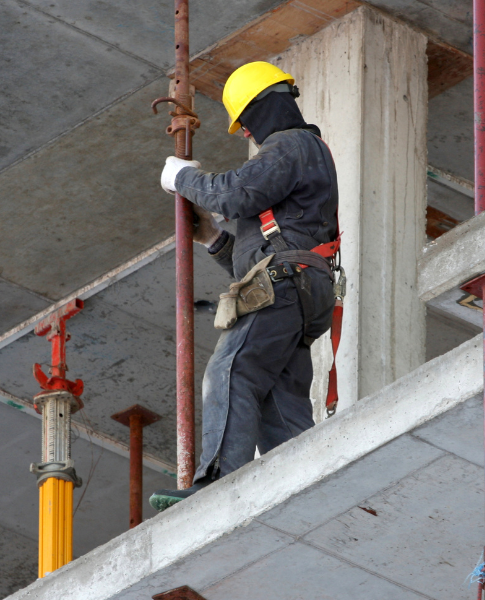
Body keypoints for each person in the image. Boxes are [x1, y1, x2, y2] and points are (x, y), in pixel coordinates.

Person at [150, 61, 339, 511]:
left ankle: (216, 485)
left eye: (246, 125)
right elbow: (261, 255)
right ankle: (304, 491)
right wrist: (213, 238)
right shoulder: (306, 154)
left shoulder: (291, 144)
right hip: (298, 284)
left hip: (287, 282)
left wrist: (182, 177)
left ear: (256, 110)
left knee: (232, 370)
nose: (249, 135)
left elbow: (235, 194)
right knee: (276, 397)